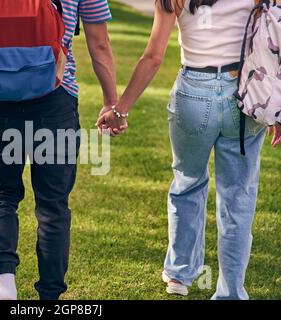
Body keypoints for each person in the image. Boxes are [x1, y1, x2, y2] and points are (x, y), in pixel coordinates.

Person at [97, 0, 281, 299]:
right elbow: (275, 38)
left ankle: (179, 276)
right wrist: (274, 104)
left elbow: (153, 57)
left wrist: (121, 110)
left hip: (193, 91)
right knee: (238, 198)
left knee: (186, 183)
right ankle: (231, 291)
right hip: (244, 93)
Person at [0, 0, 117, 300]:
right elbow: (99, 44)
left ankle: (6, 286)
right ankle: (49, 297)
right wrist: (112, 104)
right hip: (55, 100)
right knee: (52, 205)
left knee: (1, 195)